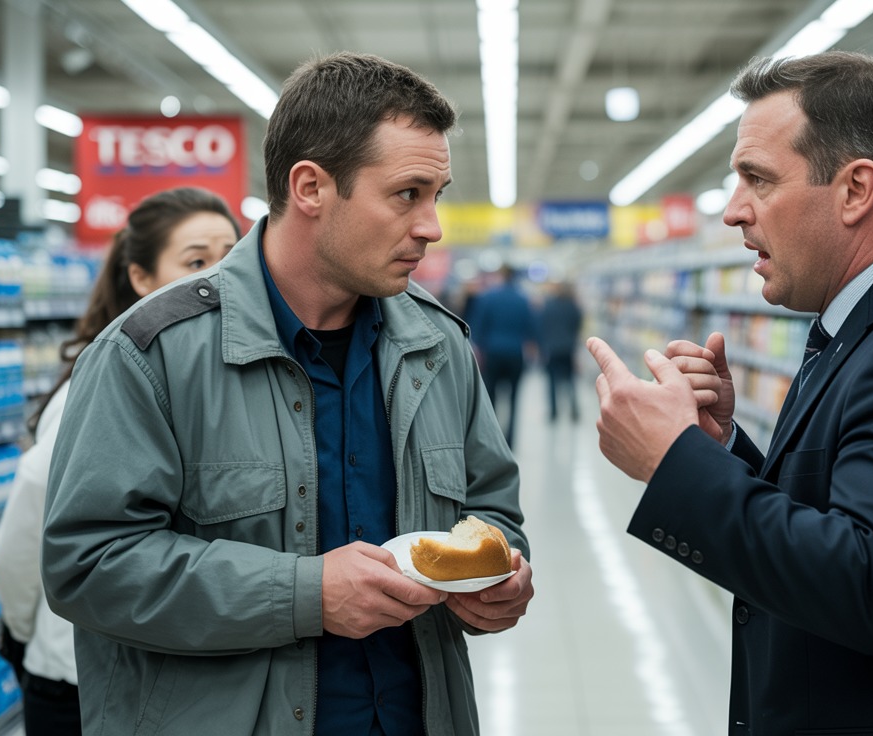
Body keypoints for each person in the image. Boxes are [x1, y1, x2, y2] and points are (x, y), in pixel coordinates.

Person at [40, 52, 533, 736]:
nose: (431, 227)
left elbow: (491, 509)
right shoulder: (152, 353)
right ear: (310, 187)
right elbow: (88, 565)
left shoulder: (438, 346)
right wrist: (306, 594)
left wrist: (500, 577)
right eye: (406, 194)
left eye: (437, 195)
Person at [587, 51, 873, 734]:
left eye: (757, 179)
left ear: (855, 190)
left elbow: (872, 584)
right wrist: (720, 450)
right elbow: (833, 520)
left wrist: (673, 462)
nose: (733, 211)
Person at [0, 187, 240, 736]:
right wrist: (24, 633)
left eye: (234, 254)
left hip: (171, 673)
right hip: (76, 678)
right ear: (141, 278)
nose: (220, 276)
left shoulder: (225, 381)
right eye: (197, 260)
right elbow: (25, 538)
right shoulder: (111, 381)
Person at [466, 265, 537, 445]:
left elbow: (477, 326)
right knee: (514, 398)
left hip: (492, 353)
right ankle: (510, 440)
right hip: (515, 353)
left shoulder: (487, 298)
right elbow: (531, 327)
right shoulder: (523, 299)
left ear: (500, 276)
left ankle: (493, 439)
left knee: (490, 398)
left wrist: (479, 349)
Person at [537, 281, 584, 421]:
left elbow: (542, 325)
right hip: (568, 348)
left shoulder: (548, 306)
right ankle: (574, 409)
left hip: (552, 348)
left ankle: (553, 411)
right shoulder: (573, 306)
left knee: (551, 381)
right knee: (570, 380)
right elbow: (578, 324)